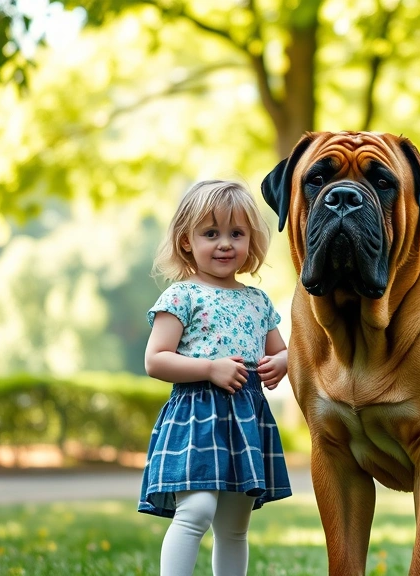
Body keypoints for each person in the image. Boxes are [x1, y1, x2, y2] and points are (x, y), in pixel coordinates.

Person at [138, 179, 292, 576]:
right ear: (187, 241)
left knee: (235, 524)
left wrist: (285, 361)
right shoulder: (181, 296)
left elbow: (282, 350)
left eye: (236, 234)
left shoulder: (257, 301)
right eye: (211, 233)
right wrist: (209, 368)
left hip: (245, 418)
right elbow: (156, 360)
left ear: (250, 242)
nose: (225, 244)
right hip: (197, 417)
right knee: (197, 509)